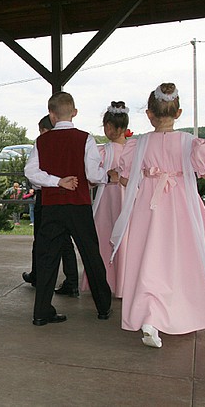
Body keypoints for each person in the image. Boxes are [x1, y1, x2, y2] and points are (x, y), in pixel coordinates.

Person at [110, 83, 205, 348]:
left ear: (149, 114)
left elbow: (126, 180)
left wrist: (145, 177)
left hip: (148, 209)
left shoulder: (139, 144)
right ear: (179, 113)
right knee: (182, 259)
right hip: (182, 207)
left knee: (150, 260)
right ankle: (181, 311)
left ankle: (149, 317)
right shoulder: (190, 143)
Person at [24, 92, 112, 326]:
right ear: (74, 112)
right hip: (79, 205)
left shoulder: (42, 141)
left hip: (51, 206)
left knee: (47, 259)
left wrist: (56, 181)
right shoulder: (85, 139)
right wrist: (106, 177)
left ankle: (41, 312)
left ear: (51, 115)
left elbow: (31, 172)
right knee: (91, 255)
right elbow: (93, 174)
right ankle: (103, 307)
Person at [22, 115, 79, 297]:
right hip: (69, 198)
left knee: (41, 239)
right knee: (66, 241)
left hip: (47, 196)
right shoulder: (72, 143)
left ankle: (38, 276)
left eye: (41, 130)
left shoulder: (44, 144)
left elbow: (32, 174)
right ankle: (72, 281)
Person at [80, 101, 130, 297]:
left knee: (103, 239)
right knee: (126, 239)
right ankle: (124, 282)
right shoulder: (134, 149)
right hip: (128, 200)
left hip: (106, 201)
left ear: (108, 127)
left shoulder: (103, 151)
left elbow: (91, 178)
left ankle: (102, 280)